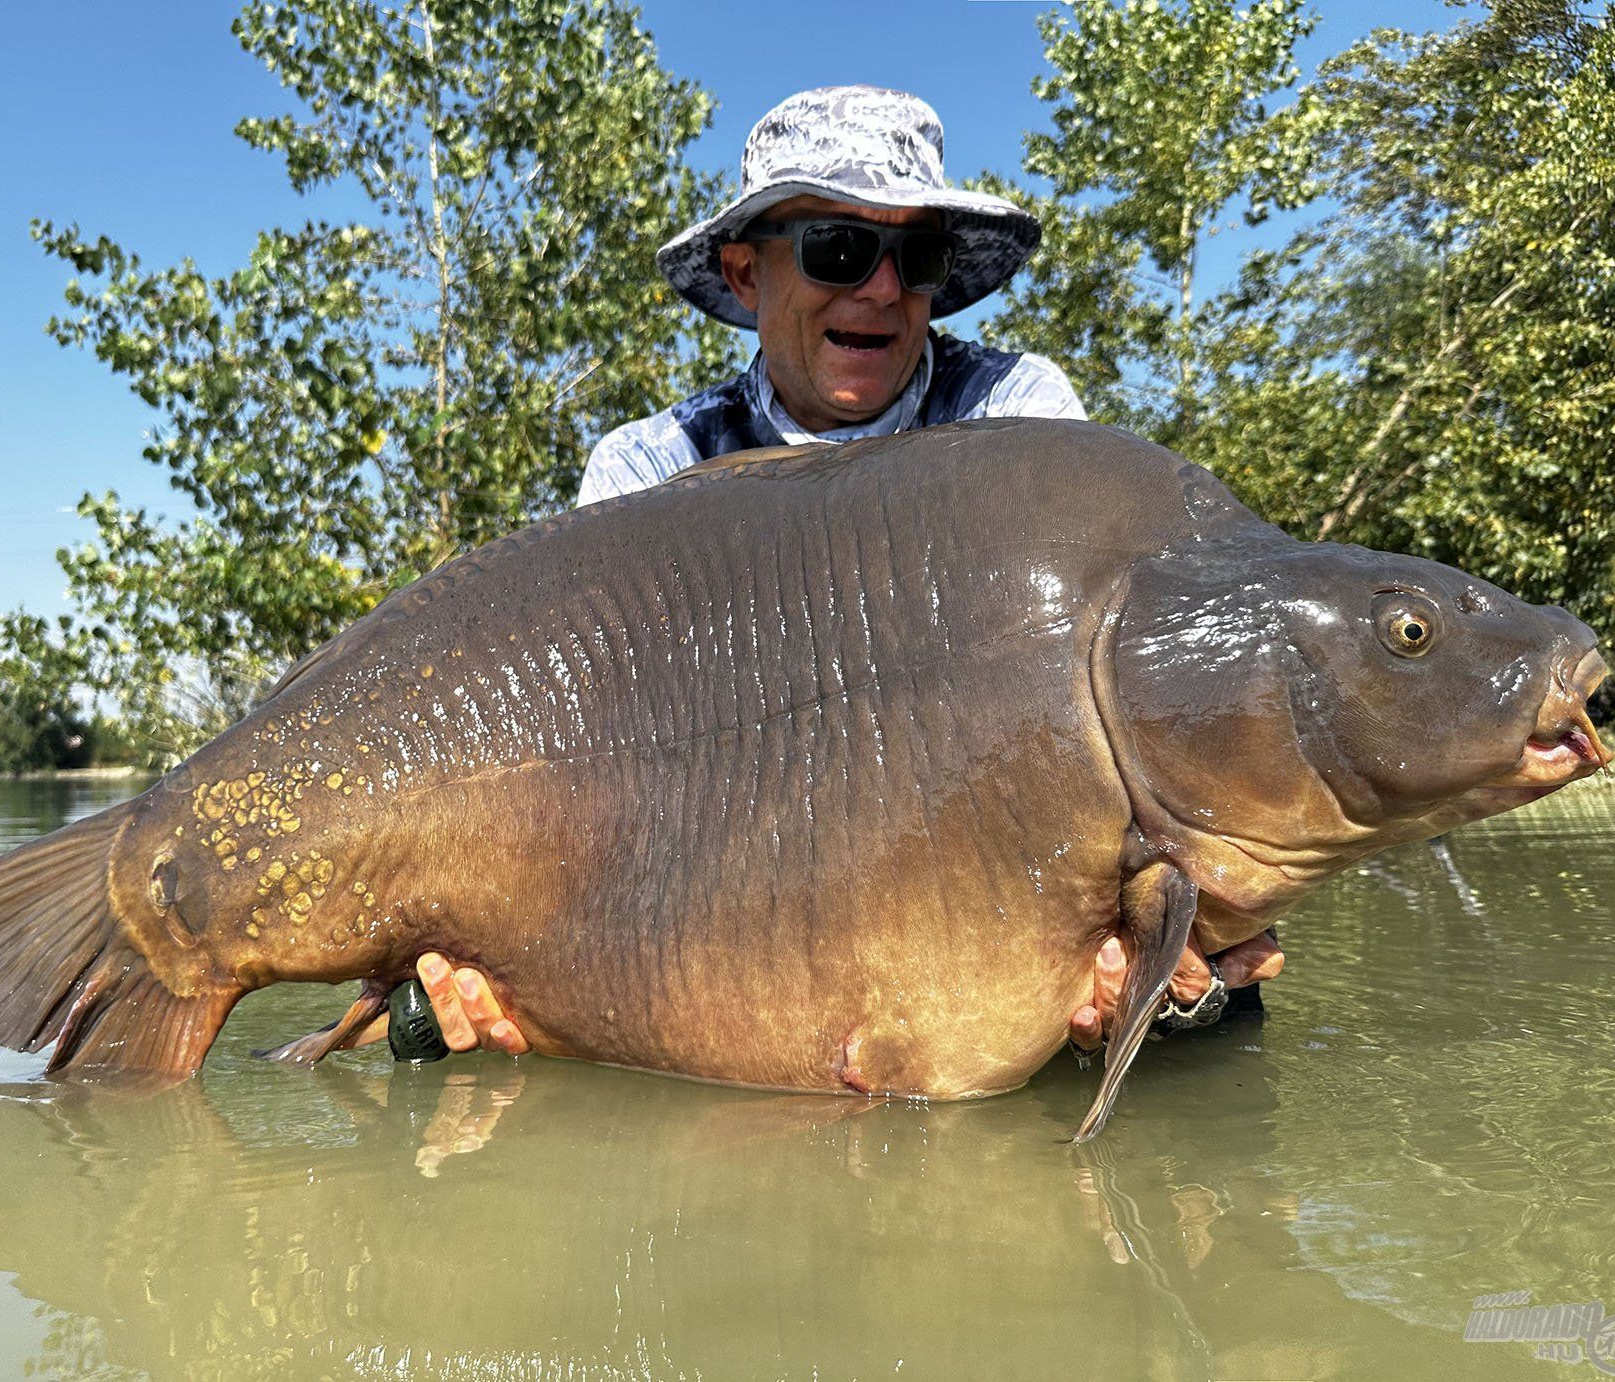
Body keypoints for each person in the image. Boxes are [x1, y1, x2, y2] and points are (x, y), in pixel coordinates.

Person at [408, 86, 1282, 1065]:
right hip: (724, 917)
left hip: (973, 884)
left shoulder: (1018, 419)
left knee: (1208, 993)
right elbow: (599, 791)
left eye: (917, 258)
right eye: (837, 249)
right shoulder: (647, 471)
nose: (879, 289)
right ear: (745, 273)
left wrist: (1137, 954)